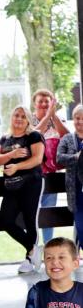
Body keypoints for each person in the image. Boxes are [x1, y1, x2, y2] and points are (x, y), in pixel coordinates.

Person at [0, 106, 45, 274]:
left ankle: (29, 260)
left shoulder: (34, 136)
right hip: (11, 186)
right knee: (5, 220)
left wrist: (17, 166)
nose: (19, 119)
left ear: (28, 120)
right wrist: (11, 155)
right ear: (12, 117)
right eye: (16, 115)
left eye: (23, 116)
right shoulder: (5, 138)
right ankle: (33, 248)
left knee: (30, 220)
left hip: (31, 183)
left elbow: (37, 159)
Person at [31, 89, 69, 244]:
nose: (44, 104)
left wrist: (54, 116)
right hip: (33, 174)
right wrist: (47, 117)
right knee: (32, 211)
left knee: (49, 211)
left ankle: (48, 245)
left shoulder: (57, 119)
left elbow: (67, 136)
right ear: (34, 103)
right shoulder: (29, 119)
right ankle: (33, 246)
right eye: (40, 101)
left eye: (47, 101)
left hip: (52, 174)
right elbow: (32, 135)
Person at [58, 104, 83, 248]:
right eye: (77, 118)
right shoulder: (67, 139)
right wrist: (75, 157)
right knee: (80, 225)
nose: (80, 121)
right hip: (75, 190)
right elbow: (59, 158)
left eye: (82, 118)